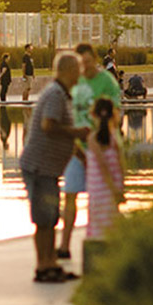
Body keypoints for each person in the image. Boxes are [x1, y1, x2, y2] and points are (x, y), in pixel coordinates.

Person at [20, 51, 89, 284]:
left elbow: (61, 134)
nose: (80, 74)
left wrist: (81, 155)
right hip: (39, 167)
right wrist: (76, 133)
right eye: (78, 70)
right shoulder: (55, 94)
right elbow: (49, 126)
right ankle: (43, 266)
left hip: (48, 169)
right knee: (44, 218)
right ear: (69, 71)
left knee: (50, 217)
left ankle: (51, 263)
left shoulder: (62, 94)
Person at [58, 43, 121, 261]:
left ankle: (103, 241)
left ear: (95, 58)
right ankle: (64, 245)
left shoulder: (107, 82)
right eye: (80, 63)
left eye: (87, 62)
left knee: (101, 198)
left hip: (100, 148)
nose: (84, 67)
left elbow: (116, 114)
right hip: (75, 149)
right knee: (70, 195)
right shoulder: (74, 82)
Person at [83, 98, 125, 242]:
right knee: (112, 224)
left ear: (93, 115)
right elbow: (120, 165)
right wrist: (119, 188)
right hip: (114, 187)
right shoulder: (114, 139)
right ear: (113, 115)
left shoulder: (92, 138)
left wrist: (112, 188)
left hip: (98, 189)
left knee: (98, 228)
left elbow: (102, 166)